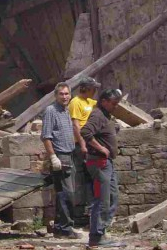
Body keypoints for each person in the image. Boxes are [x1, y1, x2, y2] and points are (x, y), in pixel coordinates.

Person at [40, 82, 86, 239]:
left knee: (62, 194)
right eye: (61, 94)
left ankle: (60, 228)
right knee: (67, 194)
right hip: (60, 156)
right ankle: (66, 228)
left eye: (67, 94)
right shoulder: (51, 111)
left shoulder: (66, 110)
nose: (65, 97)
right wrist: (53, 157)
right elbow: (46, 137)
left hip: (69, 154)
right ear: (55, 95)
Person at [80, 89, 124, 247]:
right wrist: (101, 148)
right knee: (102, 199)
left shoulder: (105, 115)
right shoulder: (98, 114)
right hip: (99, 163)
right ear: (104, 101)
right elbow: (85, 131)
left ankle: (102, 232)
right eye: (113, 103)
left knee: (112, 196)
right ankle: (96, 237)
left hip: (107, 164)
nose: (115, 106)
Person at [67, 77, 100, 213]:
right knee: (86, 177)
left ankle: (94, 208)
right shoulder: (75, 102)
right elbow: (76, 126)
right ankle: (86, 209)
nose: (95, 91)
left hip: (90, 141)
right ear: (85, 89)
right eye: (93, 88)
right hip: (81, 144)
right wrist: (83, 145)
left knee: (94, 176)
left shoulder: (90, 102)